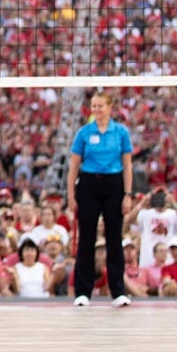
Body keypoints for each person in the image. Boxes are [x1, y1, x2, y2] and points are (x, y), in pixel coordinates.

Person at [67, 90, 133, 308]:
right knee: (86, 238)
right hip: (88, 184)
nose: (96, 110)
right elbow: (74, 166)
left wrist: (127, 194)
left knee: (114, 239)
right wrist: (70, 196)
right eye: (93, 106)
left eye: (100, 106)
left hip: (114, 184)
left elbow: (127, 165)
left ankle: (118, 292)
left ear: (109, 107)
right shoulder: (84, 133)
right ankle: (82, 292)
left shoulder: (120, 132)